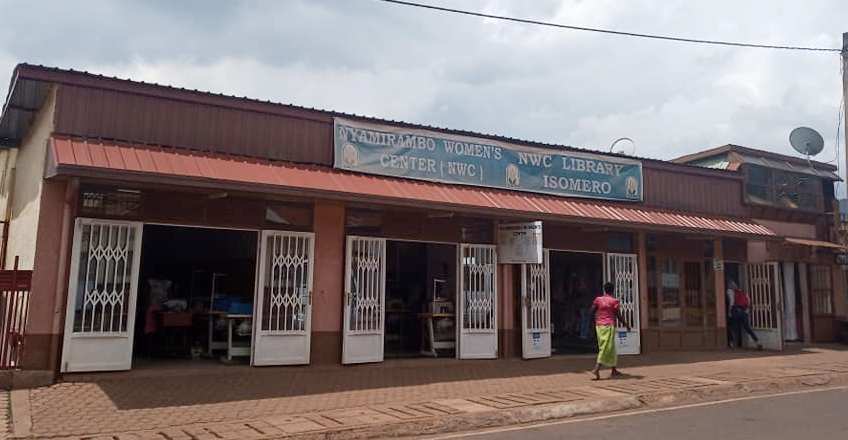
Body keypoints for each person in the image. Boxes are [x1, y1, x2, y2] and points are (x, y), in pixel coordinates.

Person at [589, 282, 631, 380]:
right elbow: (618, 315)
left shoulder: (598, 300)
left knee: (610, 347)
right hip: (608, 326)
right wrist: (626, 325)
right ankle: (596, 368)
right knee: (606, 347)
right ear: (613, 290)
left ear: (604, 290)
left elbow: (591, 311)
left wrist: (594, 322)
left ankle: (613, 369)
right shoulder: (614, 301)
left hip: (599, 326)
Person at [727, 280, 763, 350]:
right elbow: (748, 300)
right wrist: (747, 310)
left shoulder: (730, 291)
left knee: (734, 328)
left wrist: (729, 311)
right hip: (743, 311)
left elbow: (731, 302)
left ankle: (732, 344)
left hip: (735, 310)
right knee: (747, 328)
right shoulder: (742, 291)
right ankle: (757, 342)